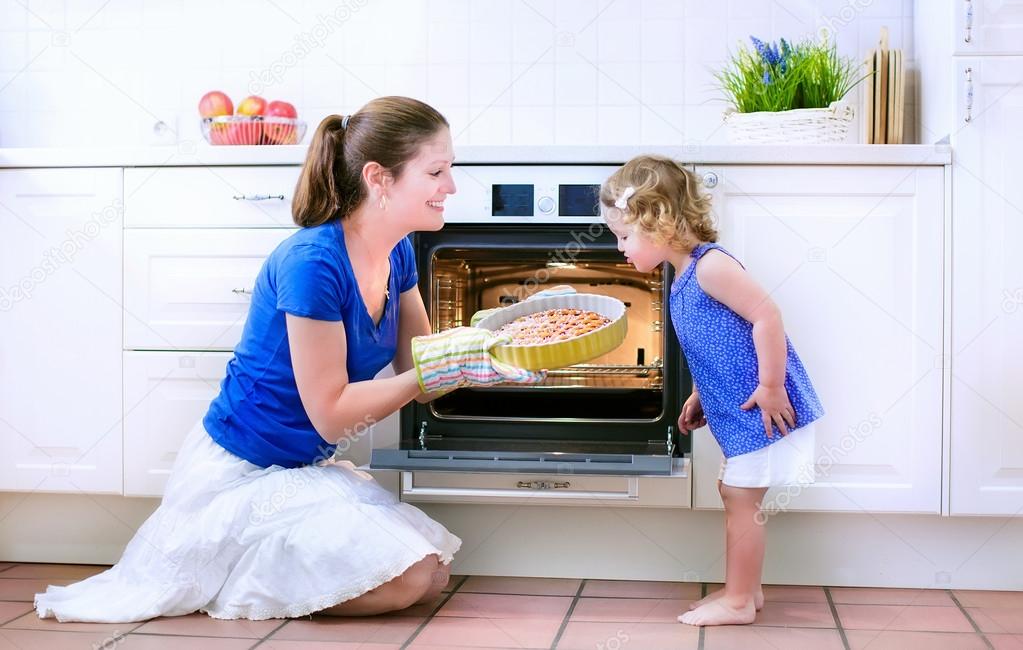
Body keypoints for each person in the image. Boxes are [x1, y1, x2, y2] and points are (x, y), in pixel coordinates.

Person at [35, 96, 541, 623]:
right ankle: (223, 579)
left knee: (430, 574)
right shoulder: (313, 262)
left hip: (301, 469)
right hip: (241, 473)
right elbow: (334, 411)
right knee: (408, 579)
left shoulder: (396, 253)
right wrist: (436, 368)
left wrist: (495, 350)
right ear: (380, 178)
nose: (451, 187)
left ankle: (250, 569)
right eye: (436, 171)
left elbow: (427, 375)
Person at [599, 155, 824, 627]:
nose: (619, 247)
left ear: (656, 222)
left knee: (741, 498)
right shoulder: (683, 274)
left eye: (623, 235)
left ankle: (740, 601)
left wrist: (770, 385)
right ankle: (748, 590)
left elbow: (767, 316)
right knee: (736, 493)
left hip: (759, 406)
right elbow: (717, 343)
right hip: (735, 407)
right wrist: (701, 393)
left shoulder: (710, 267)